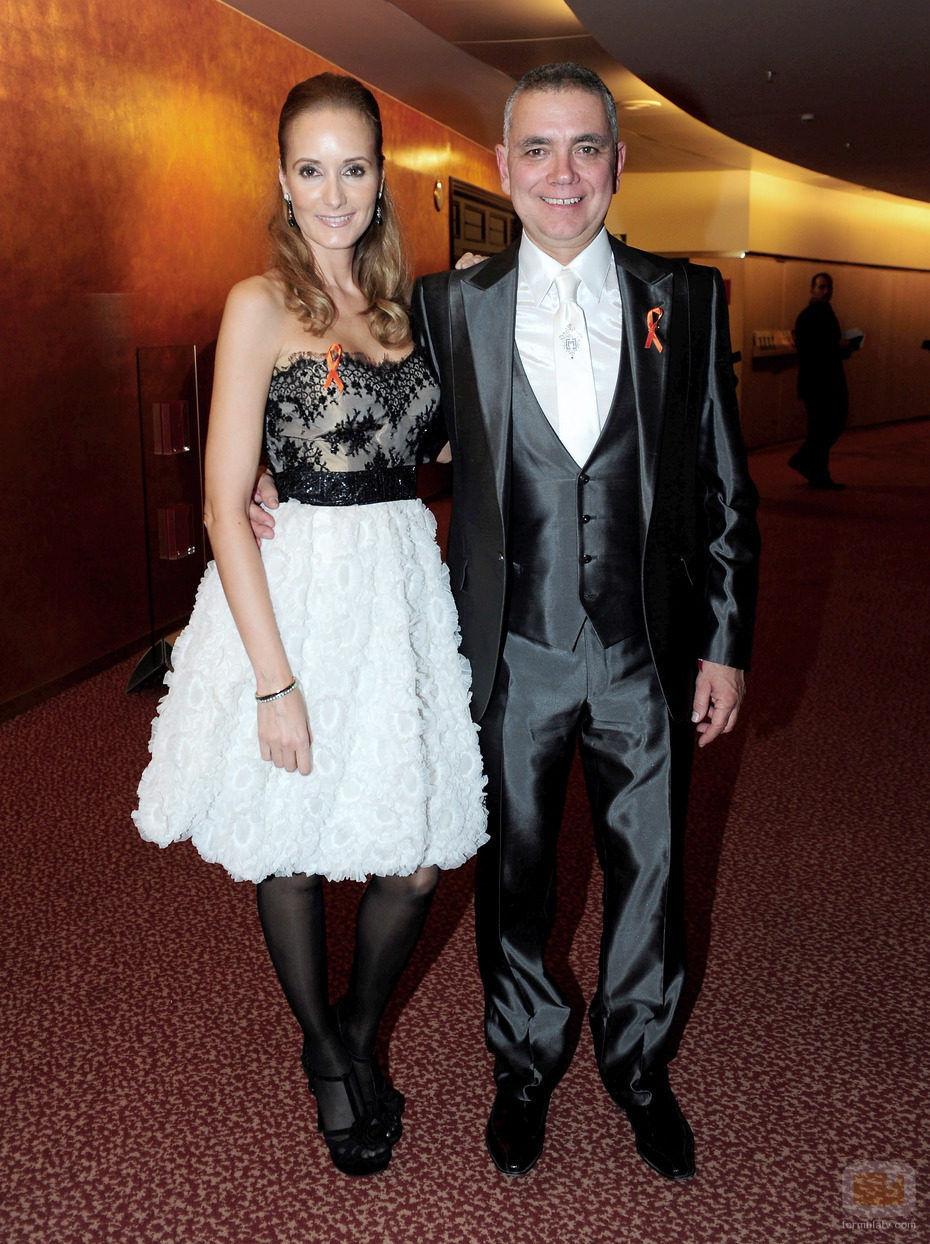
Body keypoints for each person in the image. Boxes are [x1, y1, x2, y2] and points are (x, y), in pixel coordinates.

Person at [255, 62, 760, 1183]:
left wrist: (725, 642)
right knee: (513, 877)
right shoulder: (448, 306)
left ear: (617, 163)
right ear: (503, 166)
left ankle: (639, 1066)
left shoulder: (689, 297)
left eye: (585, 148)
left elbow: (727, 485)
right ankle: (524, 1066)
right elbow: (379, 418)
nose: (561, 173)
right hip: (508, 654)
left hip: (646, 652)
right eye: (537, 149)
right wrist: (275, 472)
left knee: (653, 873)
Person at [133, 73, 487, 1178]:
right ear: (282, 182)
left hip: (396, 594)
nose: (334, 192)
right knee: (289, 842)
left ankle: (352, 1029)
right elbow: (220, 504)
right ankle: (329, 1058)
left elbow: (431, 447)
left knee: (412, 858)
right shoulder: (258, 303)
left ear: (381, 180)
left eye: (354, 168)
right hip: (294, 597)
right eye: (311, 169)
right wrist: (273, 683)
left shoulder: (407, 311)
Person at [788, 271, 852, 489]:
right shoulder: (810, 316)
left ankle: (811, 467)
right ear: (812, 289)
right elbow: (810, 349)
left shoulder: (824, 313)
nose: (826, 292)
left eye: (828, 287)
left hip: (825, 380)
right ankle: (814, 469)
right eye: (821, 287)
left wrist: (841, 347)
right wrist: (837, 346)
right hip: (818, 382)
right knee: (824, 427)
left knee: (826, 427)